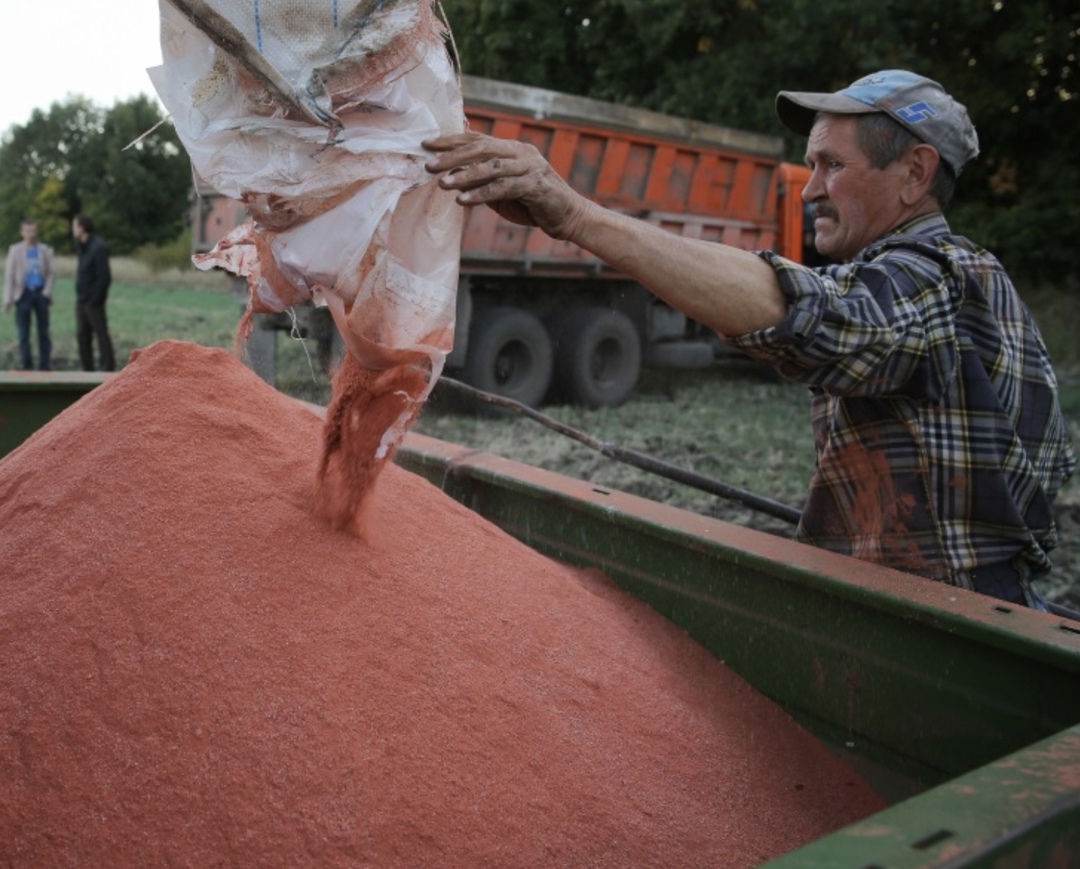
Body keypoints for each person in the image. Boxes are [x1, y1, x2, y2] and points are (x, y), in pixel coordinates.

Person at [423, 69, 1076, 610]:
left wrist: (574, 215)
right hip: (959, 600)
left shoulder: (932, 280)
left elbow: (815, 318)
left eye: (832, 165)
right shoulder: (973, 277)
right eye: (810, 164)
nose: (812, 189)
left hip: (951, 624)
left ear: (914, 173)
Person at [3, 218, 56, 370]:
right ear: (22, 233)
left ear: (37, 231)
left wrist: (47, 292)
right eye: (27, 231)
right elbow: (10, 276)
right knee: (23, 333)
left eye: (33, 230)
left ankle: (44, 366)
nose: (31, 234)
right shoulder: (15, 250)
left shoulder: (45, 250)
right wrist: (7, 299)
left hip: (40, 293)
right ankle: (27, 366)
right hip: (23, 294)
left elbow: (52, 272)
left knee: (43, 332)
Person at [72, 214, 116, 372]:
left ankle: (107, 368)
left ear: (82, 228)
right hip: (82, 300)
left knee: (101, 334)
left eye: (75, 226)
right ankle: (87, 369)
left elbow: (104, 276)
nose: (73, 229)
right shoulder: (82, 247)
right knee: (82, 336)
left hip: (93, 301)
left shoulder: (98, 247)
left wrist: (95, 299)